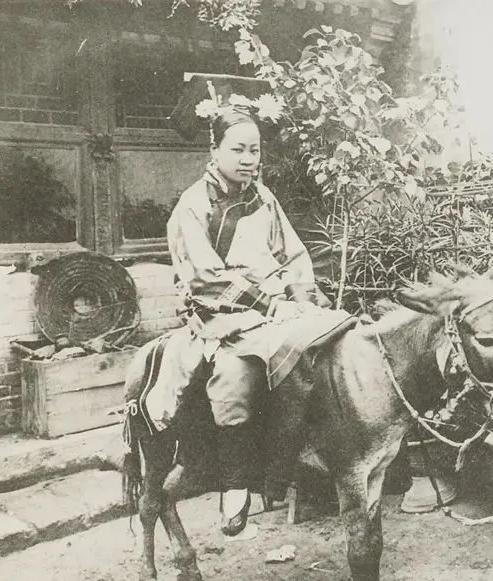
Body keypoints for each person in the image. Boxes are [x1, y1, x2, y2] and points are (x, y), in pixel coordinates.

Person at [165, 106, 327, 536]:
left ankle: (304, 455)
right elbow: (204, 276)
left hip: (278, 305)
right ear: (214, 149)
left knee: (329, 338)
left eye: (254, 150)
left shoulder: (264, 198)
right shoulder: (193, 205)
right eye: (237, 149)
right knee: (234, 376)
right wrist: (270, 305)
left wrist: (300, 298)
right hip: (223, 311)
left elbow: (293, 254)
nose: (248, 159)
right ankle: (235, 485)